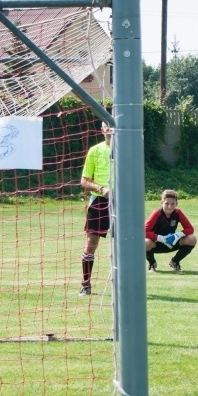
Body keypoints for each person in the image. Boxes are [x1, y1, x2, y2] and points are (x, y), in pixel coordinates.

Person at [79, 122, 113, 296]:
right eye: (107, 126)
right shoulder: (95, 150)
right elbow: (84, 181)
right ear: (102, 130)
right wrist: (101, 189)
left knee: (125, 245)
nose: (110, 130)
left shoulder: (126, 149)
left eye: (113, 126)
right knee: (91, 245)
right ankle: (86, 284)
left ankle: (122, 285)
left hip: (122, 204)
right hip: (99, 203)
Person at [145, 189, 197, 273]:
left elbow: (190, 229)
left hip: (171, 242)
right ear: (161, 203)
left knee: (192, 239)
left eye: (173, 204)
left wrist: (178, 235)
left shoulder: (178, 212)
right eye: (166, 203)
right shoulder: (156, 213)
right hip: (156, 243)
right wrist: (161, 238)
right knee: (145, 242)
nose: (169, 206)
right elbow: (143, 231)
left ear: (176, 204)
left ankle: (175, 261)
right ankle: (152, 264)